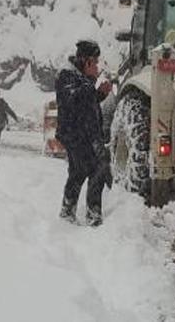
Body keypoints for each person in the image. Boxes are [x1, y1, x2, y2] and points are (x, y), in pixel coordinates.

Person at [55, 40, 113, 226]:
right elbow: (74, 101)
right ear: (87, 61)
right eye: (95, 62)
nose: (97, 67)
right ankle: (88, 214)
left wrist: (100, 95)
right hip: (74, 134)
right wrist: (91, 83)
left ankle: (71, 211)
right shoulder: (66, 76)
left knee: (84, 171)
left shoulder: (80, 78)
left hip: (84, 133)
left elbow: (86, 102)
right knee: (91, 170)